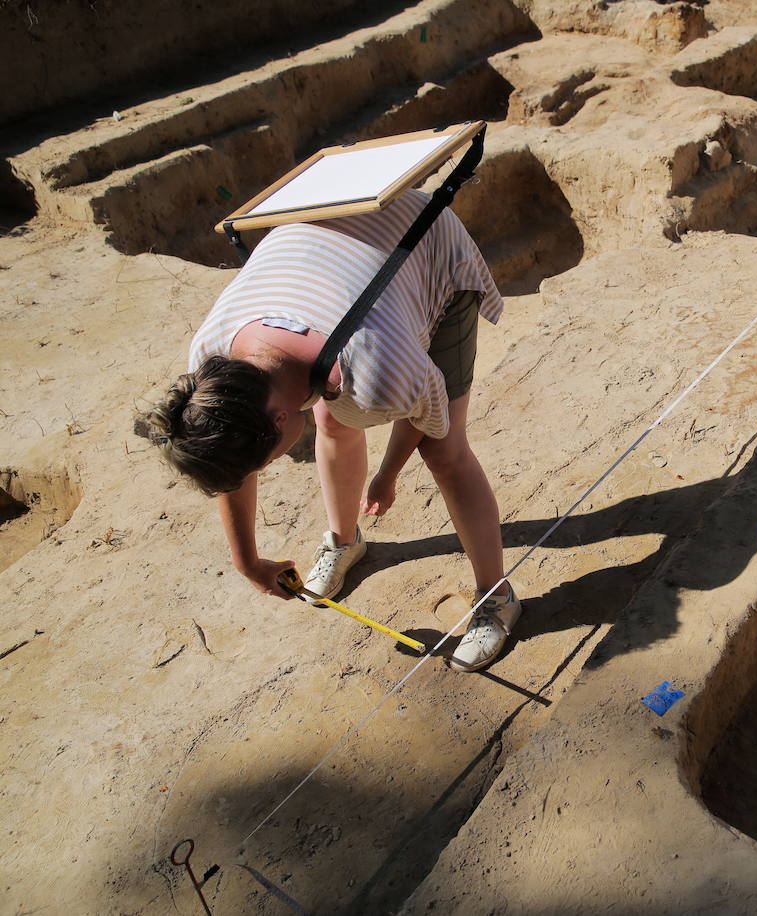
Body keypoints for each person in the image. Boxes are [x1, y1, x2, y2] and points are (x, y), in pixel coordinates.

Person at [143, 190, 518, 671]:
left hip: (425, 242)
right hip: (333, 266)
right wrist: (248, 561)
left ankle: (497, 595)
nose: (266, 466)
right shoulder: (211, 370)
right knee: (332, 419)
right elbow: (230, 463)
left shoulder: (378, 373)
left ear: (280, 422)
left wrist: (387, 474)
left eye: (268, 459)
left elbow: (426, 416)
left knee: (445, 453)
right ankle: (345, 541)